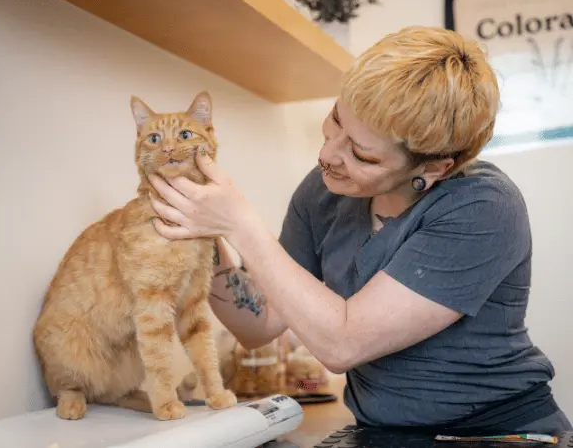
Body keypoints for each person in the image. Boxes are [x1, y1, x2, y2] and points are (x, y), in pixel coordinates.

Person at [147, 26, 572, 434]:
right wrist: (207, 237)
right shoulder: (324, 192)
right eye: (336, 120)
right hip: (379, 430)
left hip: (497, 430)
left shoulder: (482, 207)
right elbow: (258, 325)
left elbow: (343, 345)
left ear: (433, 167)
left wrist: (240, 224)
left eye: (362, 155)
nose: (327, 153)